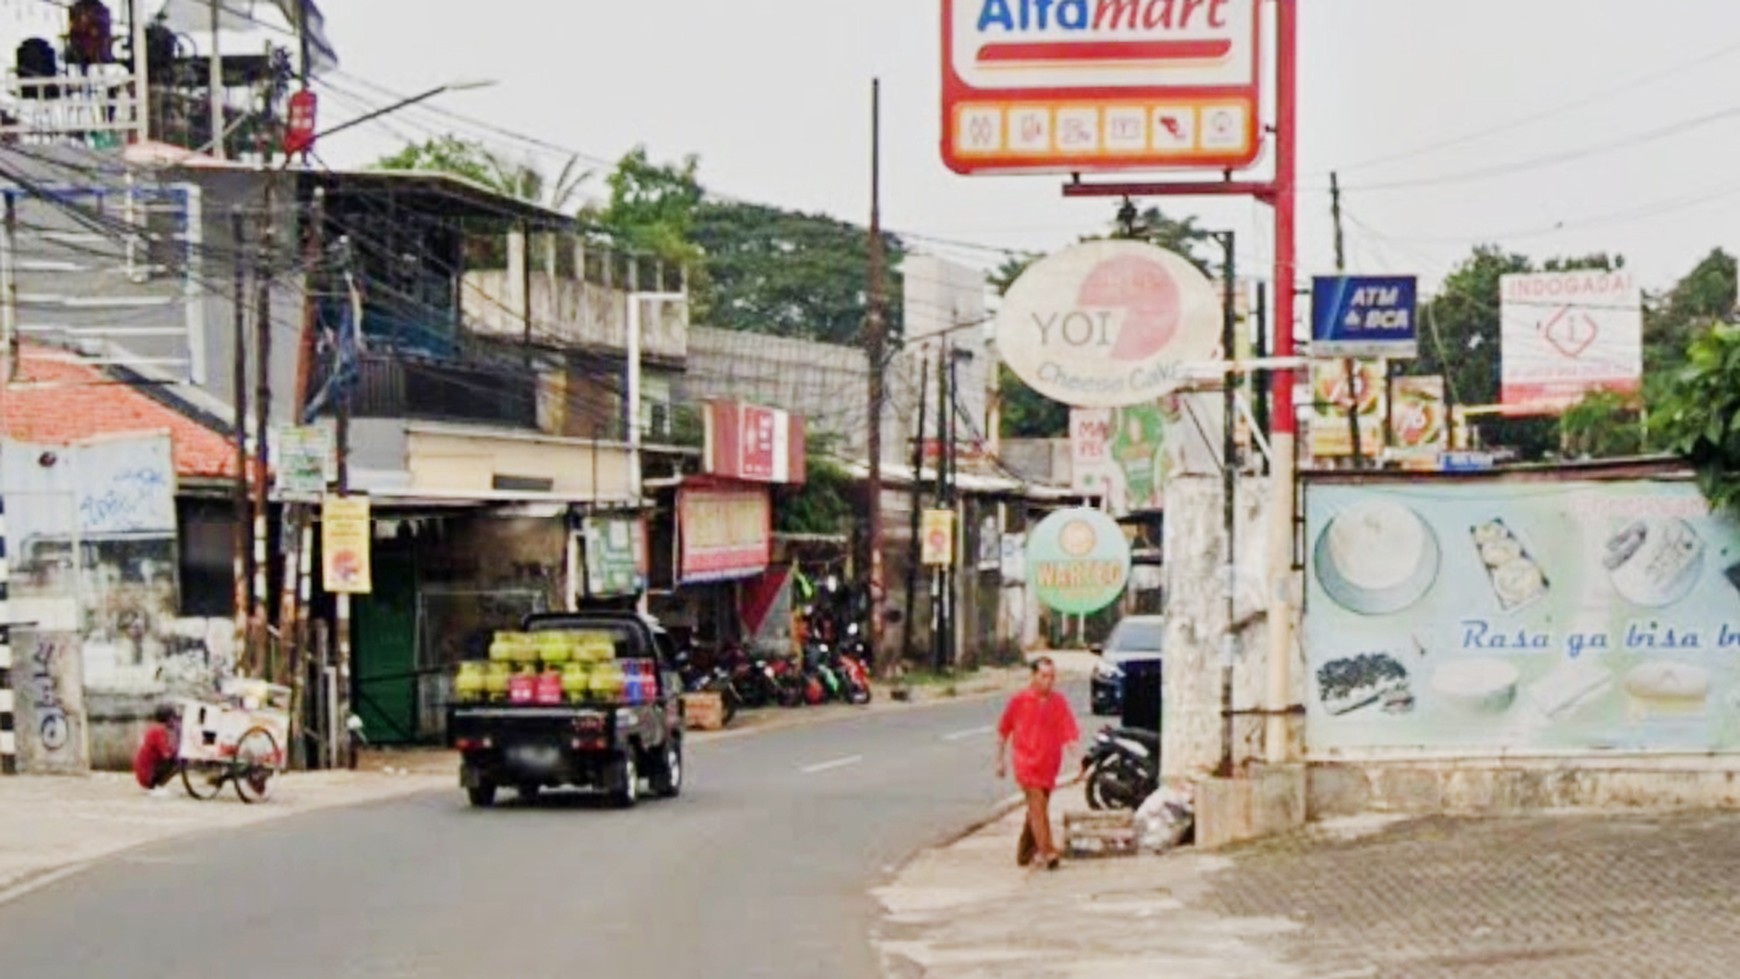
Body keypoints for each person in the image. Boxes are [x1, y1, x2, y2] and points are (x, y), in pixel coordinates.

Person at [997, 656, 1079, 870]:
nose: (1048, 681)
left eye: (1052, 676)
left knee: (1036, 810)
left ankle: (1024, 852)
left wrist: (1076, 756)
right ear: (1033, 676)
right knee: (1037, 805)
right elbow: (1003, 731)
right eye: (1043, 676)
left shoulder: (1058, 702)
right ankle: (1047, 851)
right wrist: (1000, 761)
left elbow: (1069, 730)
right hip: (1026, 764)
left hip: (1049, 765)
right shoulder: (1019, 701)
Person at [133, 703, 179, 793]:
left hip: (143, 773)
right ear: (169, 719)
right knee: (175, 761)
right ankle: (156, 786)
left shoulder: (153, 729)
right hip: (147, 776)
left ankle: (155, 784)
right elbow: (166, 754)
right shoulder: (159, 731)